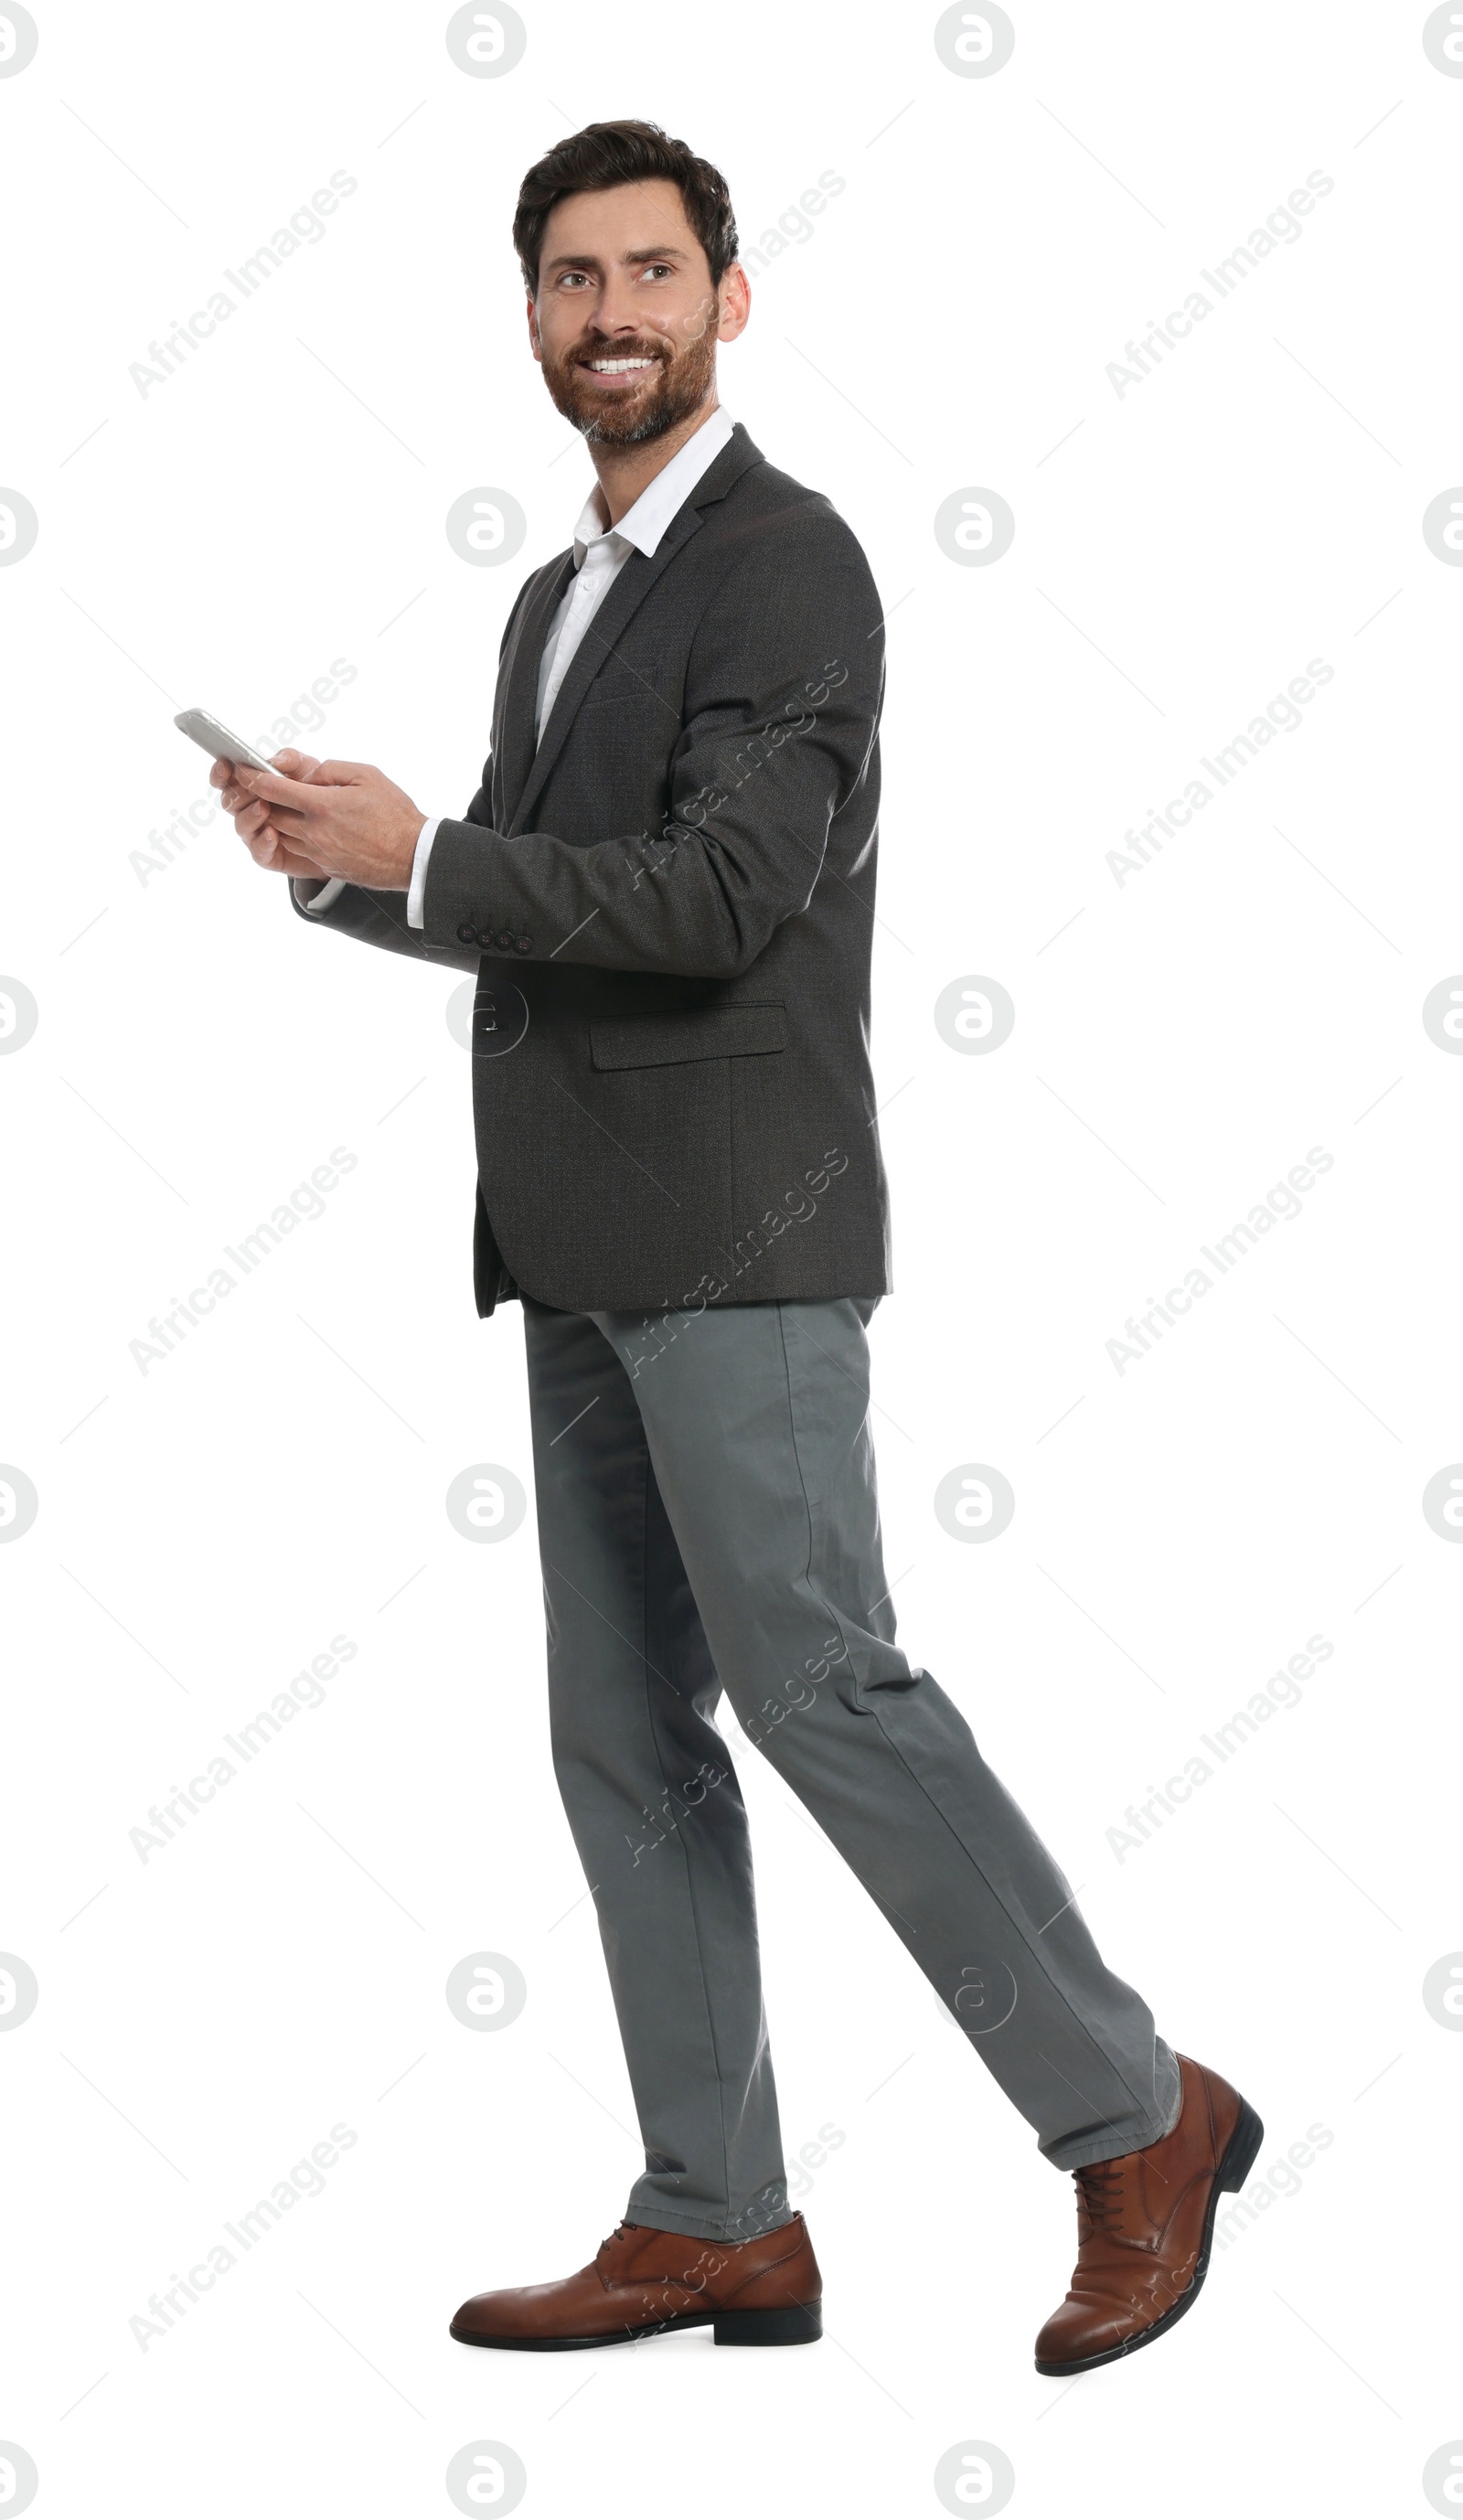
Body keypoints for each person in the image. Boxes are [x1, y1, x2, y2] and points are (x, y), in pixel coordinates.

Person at [215, 118, 1263, 2374]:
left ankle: (1134, 2108)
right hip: (576, 1240)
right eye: (570, 281)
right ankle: (718, 2211)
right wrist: (348, 862)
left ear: (727, 296)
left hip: (744, 1235)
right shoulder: (558, 594)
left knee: (824, 1689)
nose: (611, 315)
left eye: (650, 273)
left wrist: (439, 854)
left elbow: (712, 905)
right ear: (528, 317)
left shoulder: (790, 566)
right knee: (623, 1733)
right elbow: (540, 918)